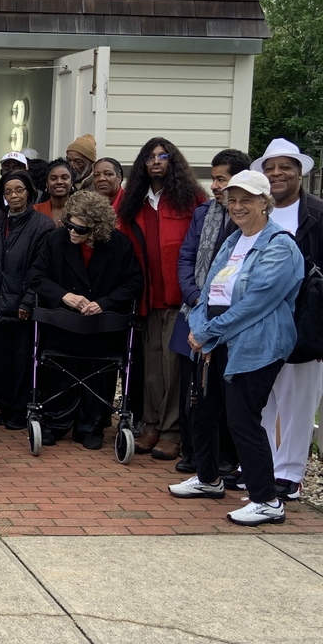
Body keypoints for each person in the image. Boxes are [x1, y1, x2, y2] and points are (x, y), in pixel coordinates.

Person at [170, 170, 303, 526]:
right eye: (233, 200)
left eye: (247, 200)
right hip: (216, 340)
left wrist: (209, 333)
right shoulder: (233, 241)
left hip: (256, 346)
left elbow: (255, 303)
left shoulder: (280, 246)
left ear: (265, 203)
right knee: (203, 411)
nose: (238, 206)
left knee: (242, 421)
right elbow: (209, 288)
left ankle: (267, 500)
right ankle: (208, 478)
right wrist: (199, 328)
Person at [252, 138, 323, 500]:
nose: (277, 174)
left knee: (298, 401)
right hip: (259, 326)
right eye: (270, 167)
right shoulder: (254, 212)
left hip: (306, 327)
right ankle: (260, 466)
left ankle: (289, 474)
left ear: (300, 172)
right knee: (258, 400)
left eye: (285, 167)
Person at [28, 190, 143, 447]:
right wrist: (64, 296)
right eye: (69, 224)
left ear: (97, 229)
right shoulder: (55, 240)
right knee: (58, 370)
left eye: (80, 229)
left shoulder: (119, 245)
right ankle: (55, 422)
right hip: (63, 323)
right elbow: (35, 276)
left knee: (98, 373)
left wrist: (104, 304)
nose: (72, 232)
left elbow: (134, 283)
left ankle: (91, 426)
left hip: (102, 327)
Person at [117, 137, 205, 463]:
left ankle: (172, 432)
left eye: (162, 156)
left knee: (173, 368)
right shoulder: (133, 200)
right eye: (150, 157)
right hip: (146, 296)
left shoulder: (190, 199)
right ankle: (151, 425)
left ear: (172, 161)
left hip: (179, 298)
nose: (156, 161)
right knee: (151, 367)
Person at [172, 149, 253, 475]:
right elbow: (186, 258)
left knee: (220, 390)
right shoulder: (203, 213)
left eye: (222, 178)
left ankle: (223, 457)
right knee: (190, 388)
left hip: (230, 320)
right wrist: (195, 298)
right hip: (193, 312)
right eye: (215, 178)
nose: (216, 185)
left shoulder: (250, 223)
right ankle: (192, 452)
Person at [0, 170, 50, 428]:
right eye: (8, 191)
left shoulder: (41, 225)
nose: (14, 195)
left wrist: (28, 301)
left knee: (22, 361)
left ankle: (20, 411)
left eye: (19, 190)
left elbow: (40, 269)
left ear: (30, 192)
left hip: (23, 306)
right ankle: (6, 406)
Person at [33, 159, 75, 226]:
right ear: (47, 184)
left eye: (64, 178)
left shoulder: (81, 211)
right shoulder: (35, 211)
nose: (59, 182)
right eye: (53, 178)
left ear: (71, 182)